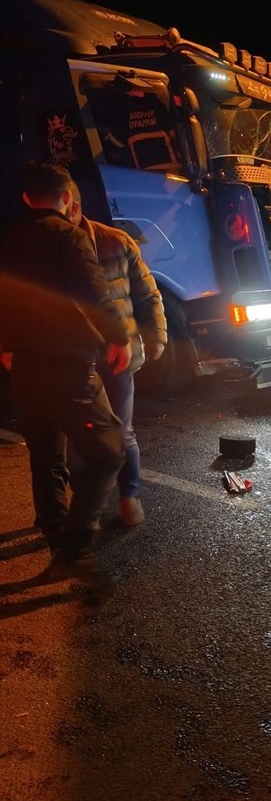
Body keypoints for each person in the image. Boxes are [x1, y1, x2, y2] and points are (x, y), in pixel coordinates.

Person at [0, 162, 131, 590]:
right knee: (109, 449)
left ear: (26, 198)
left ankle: (56, 536)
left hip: (23, 368)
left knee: (46, 453)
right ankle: (74, 552)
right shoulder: (69, 237)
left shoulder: (8, 239)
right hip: (68, 367)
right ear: (69, 200)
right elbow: (93, 292)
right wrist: (119, 336)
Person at [67, 182, 167, 526]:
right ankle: (85, 510)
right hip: (74, 359)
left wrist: (157, 336)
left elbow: (147, 293)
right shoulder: (56, 247)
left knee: (122, 431)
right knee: (77, 437)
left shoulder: (115, 241)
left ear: (74, 206)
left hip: (116, 357)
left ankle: (130, 498)